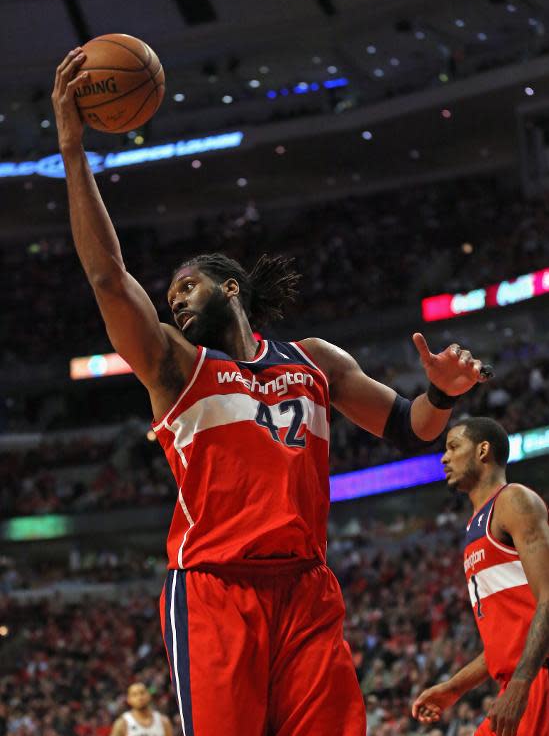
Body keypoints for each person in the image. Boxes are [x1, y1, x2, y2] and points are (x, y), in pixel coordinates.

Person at [52, 48, 491, 736]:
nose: (176, 302)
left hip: (307, 588)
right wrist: (73, 149)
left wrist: (439, 393)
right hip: (215, 589)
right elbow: (110, 278)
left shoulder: (313, 360)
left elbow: (412, 429)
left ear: (231, 287)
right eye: (169, 296)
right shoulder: (174, 365)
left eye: (186, 286)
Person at [412, 417, 549, 736]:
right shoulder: (476, 526)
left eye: (454, 447)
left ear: (483, 450)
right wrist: (453, 687)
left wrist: (520, 684)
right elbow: (505, 640)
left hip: (536, 679)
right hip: (519, 681)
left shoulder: (513, 500)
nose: (444, 458)